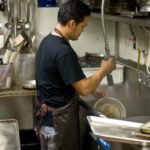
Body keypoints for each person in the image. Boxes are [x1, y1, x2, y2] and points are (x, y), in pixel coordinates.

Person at [35, 1, 116, 150]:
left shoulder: (47, 41)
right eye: (82, 27)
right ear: (72, 23)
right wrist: (104, 70)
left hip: (46, 117)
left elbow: (63, 81)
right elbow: (84, 89)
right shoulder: (63, 51)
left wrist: (94, 88)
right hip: (59, 121)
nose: (82, 31)